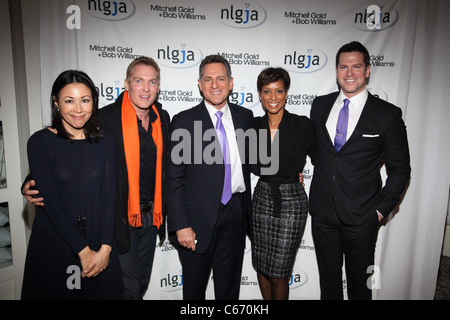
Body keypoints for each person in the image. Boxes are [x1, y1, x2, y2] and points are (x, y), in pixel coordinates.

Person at [21, 57, 171, 300]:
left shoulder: (162, 118)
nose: (78, 109)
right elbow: (63, 164)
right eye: (139, 81)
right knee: (128, 289)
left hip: (148, 219)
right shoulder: (103, 118)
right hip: (118, 223)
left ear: (158, 86)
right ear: (126, 84)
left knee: (139, 286)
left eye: (152, 82)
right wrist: (30, 182)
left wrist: (103, 249)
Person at [309, 41, 411, 300]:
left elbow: (400, 169)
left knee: (360, 289)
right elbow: (318, 152)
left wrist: (379, 211)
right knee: (329, 287)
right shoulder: (319, 106)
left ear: (367, 70)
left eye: (356, 66)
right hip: (323, 213)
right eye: (343, 67)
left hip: (363, 217)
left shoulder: (387, 115)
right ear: (336, 71)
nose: (349, 73)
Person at [21, 70, 122, 299]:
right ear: (56, 103)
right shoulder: (39, 142)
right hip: (57, 240)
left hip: (99, 241)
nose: (78, 109)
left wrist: (105, 249)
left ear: (93, 102)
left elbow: (109, 197)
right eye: (69, 101)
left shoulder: (106, 140)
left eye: (85, 100)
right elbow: (51, 203)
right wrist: (83, 251)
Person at [167, 54, 254, 300]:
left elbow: (256, 161)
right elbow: (174, 178)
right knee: (194, 291)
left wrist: (293, 171)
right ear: (199, 83)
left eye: (220, 78)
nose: (214, 85)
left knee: (229, 291)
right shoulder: (184, 121)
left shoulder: (245, 117)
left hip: (236, 213)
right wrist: (181, 224)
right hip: (196, 218)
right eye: (208, 79)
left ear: (231, 82)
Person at [252, 67, 316, 300]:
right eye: (267, 91)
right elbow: (244, 163)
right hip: (262, 199)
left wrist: (297, 176)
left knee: (279, 273)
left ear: (286, 93)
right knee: (261, 265)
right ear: (259, 94)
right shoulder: (253, 126)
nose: (273, 97)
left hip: (291, 202)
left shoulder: (302, 125)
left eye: (279, 91)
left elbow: (322, 158)